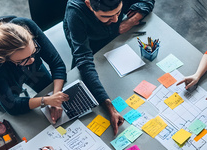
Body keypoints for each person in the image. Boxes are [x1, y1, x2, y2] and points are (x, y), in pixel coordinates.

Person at [63, 0, 155, 135]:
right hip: (90, 43)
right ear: (89, 4)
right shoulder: (75, 12)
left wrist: (131, 21)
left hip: (116, 40)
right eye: (107, 16)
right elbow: (83, 60)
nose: (116, 19)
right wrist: (109, 106)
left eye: (118, 12)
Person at [0, 17, 69, 123]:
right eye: (23, 59)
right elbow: (11, 105)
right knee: (5, 107)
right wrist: (45, 100)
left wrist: (55, 98)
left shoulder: (27, 26)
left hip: (33, 71)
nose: (33, 60)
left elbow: (57, 64)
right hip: (6, 79)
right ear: (6, 58)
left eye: (34, 51)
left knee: (48, 88)